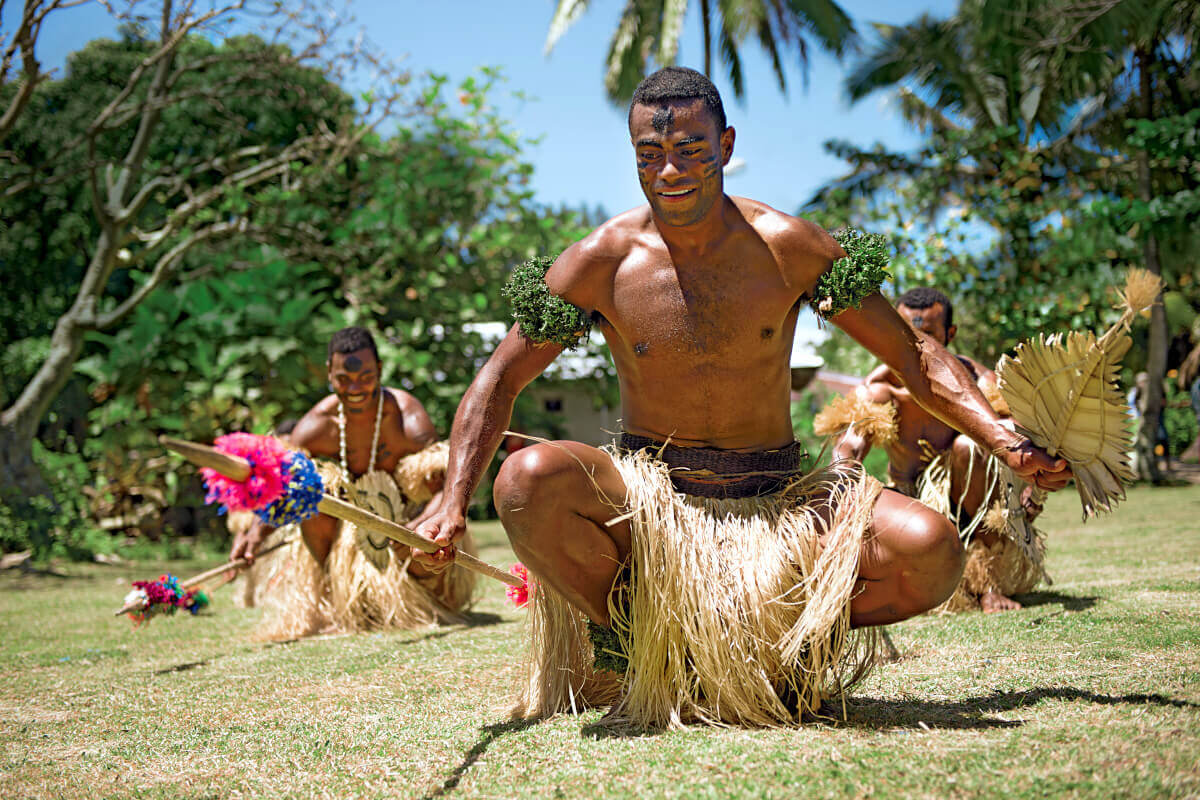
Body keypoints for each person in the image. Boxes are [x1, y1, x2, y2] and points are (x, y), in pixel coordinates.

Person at [408, 67, 1069, 729]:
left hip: (778, 501)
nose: (669, 170)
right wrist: (449, 502)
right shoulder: (601, 261)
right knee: (526, 481)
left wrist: (1003, 439)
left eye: (690, 150)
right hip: (651, 506)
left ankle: (784, 648)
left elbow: (913, 353)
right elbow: (499, 378)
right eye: (650, 154)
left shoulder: (788, 248)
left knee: (931, 550)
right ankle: (645, 637)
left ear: (724, 146)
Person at [229, 326, 476, 639]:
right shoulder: (317, 426)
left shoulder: (407, 419)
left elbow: (445, 487)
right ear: (330, 374)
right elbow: (284, 488)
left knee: (419, 540)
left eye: (366, 377)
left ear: (380, 370)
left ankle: (425, 603)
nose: (355, 387)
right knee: (312, 500)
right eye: (344, 379)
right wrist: (254, 534)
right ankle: (341, 603)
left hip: (408, 529)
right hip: (353, 535)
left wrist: (419, 526)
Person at [825, 288, 1047, 614]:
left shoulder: (980, 383)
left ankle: (988, 585)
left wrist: (1033, 489)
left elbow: (1019, 438)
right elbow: (849, 449)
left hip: (974, 508)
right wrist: (836, 504)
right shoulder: (879, 391)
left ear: (950, 333)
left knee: (968, 447)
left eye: (926, 334)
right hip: (912, 505)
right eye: (904, 331)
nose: (914, 343)